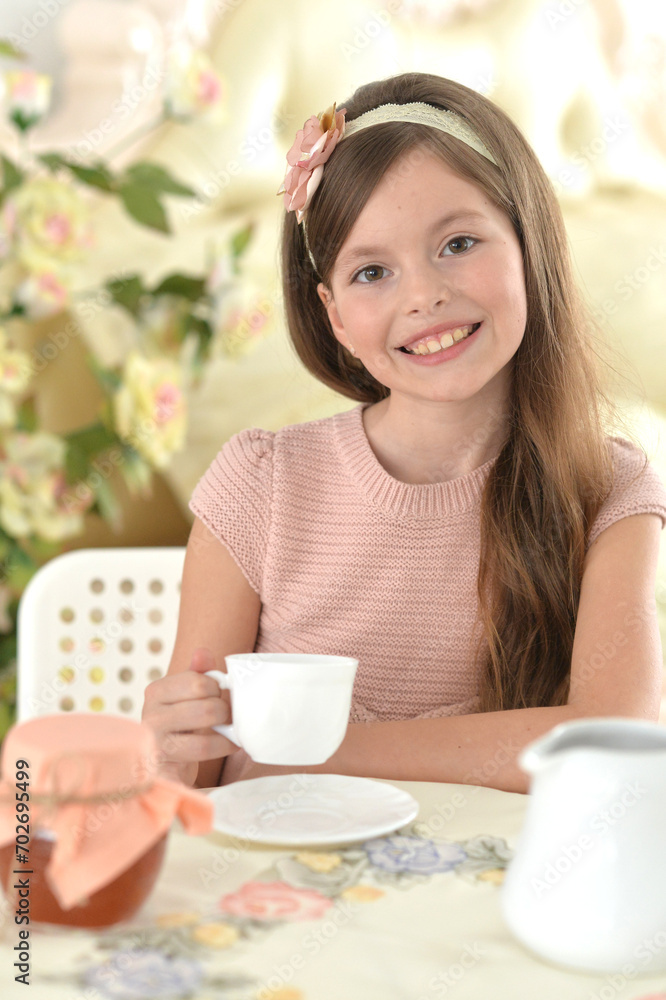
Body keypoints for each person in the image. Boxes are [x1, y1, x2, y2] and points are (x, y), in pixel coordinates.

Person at [141, 72, 666, 794]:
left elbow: (616, 737)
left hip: (495, 893)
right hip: (290, 884)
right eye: (372, 271)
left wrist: (306, 754)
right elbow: (195, 772)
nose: (424, 295)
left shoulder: (607, 489)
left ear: (528, 243)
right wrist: (171, 748)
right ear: (334, 318)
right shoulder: (261, 484)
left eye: (457, 243)